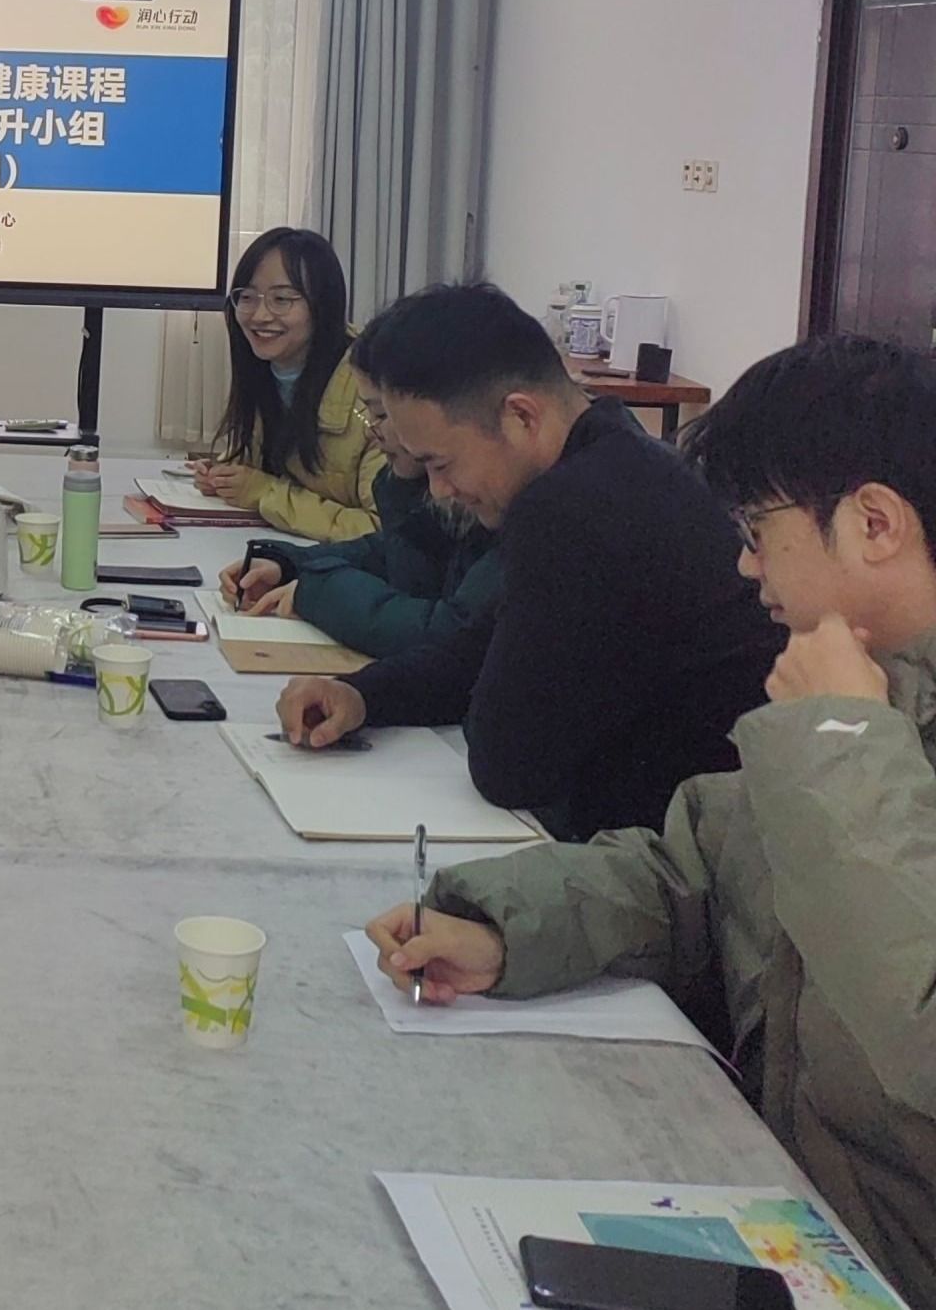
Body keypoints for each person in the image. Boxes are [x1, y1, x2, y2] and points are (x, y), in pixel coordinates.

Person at [364, 335, 936, 1307]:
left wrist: (841, 742)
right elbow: (691, 874)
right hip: (793, 1219)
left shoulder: (844, 722)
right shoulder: (862, 690)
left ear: (872, 523)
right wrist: (503, 928)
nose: (745, 566)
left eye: (758, 529)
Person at [276, 284, 781, 838]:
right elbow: (480, 645)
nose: (440, 490)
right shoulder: (618, 454)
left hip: (669, 844)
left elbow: (507, 766)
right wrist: (363, 694)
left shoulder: (572, 506)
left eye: (441, 463)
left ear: (521, 416)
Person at [214, 317, 502, 657]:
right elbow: (394, 550)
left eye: (380, 415)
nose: (370, 431)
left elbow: (450, 634)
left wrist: (319, 591)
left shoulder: (516, 510)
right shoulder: (418, 486)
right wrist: (289, 565)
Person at [192, 226, 386, 540]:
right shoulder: (266, 369)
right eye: (247, 297)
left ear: (322, 306)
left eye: (282, 299)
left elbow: (380, 530)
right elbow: (266, 471)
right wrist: (224, 475)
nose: (259, 315)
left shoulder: (374, 392)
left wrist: (265, 493)